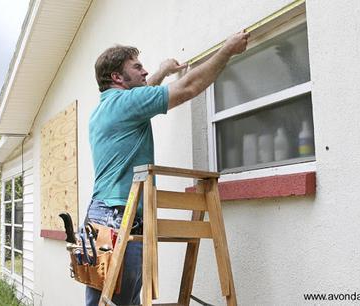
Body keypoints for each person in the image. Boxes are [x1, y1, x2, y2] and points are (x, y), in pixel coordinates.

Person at [85, 31, 250, 305]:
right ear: (116, 77)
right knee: (123, 302)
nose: (144, 71)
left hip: (101, 215)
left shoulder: (105, 108)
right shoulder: (127, 104)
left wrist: (162, 71)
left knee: (103, 301)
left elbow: (144, 92)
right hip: (118, 217)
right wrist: (227, 50)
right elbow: (188, 88)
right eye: (136, 67)